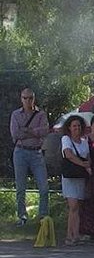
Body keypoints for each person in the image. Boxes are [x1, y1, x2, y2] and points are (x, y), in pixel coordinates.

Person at [9, 87, 50, 225]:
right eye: (25, 98)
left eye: (30, 98)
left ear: (34, 98)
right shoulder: (15, 114)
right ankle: (22, 216)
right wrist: (34, 132)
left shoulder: (41, 114)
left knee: (44, 187)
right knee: (21, 187)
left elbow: (45, 131)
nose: (27, 101)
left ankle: (43, 216)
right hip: (20, 152)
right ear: (21, 99)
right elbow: (15, 134)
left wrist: (28, 131)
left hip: (36, 152)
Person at [60, 114, 91, 246]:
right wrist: (82, 164)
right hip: (69, 177)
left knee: (78, 207)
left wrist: (88, 166)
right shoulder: (66, 139)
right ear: (69, 127)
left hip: (80, 177)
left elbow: (88, 158)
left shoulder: (84, 142)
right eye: (74, 126)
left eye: (78, 125)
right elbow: (68, 154)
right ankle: (69, 235)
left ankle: (75, 235)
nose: (76, 128)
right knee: (73, 206)